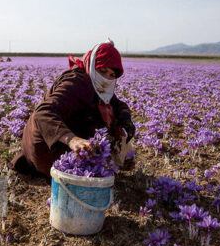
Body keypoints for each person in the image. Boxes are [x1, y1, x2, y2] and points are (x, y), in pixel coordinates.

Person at [8, 38, 135, 182]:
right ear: (91, 65)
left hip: (61, 146)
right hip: (47, 150)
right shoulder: (76, 82)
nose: (106, 78)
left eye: (112, 75)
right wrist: (72, 140)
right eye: (102, 70)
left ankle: (115, 160)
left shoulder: (97, 84)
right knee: (102, 144)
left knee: (116, 138)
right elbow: (43, 113)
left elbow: (116, 103)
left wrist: (125, 118)